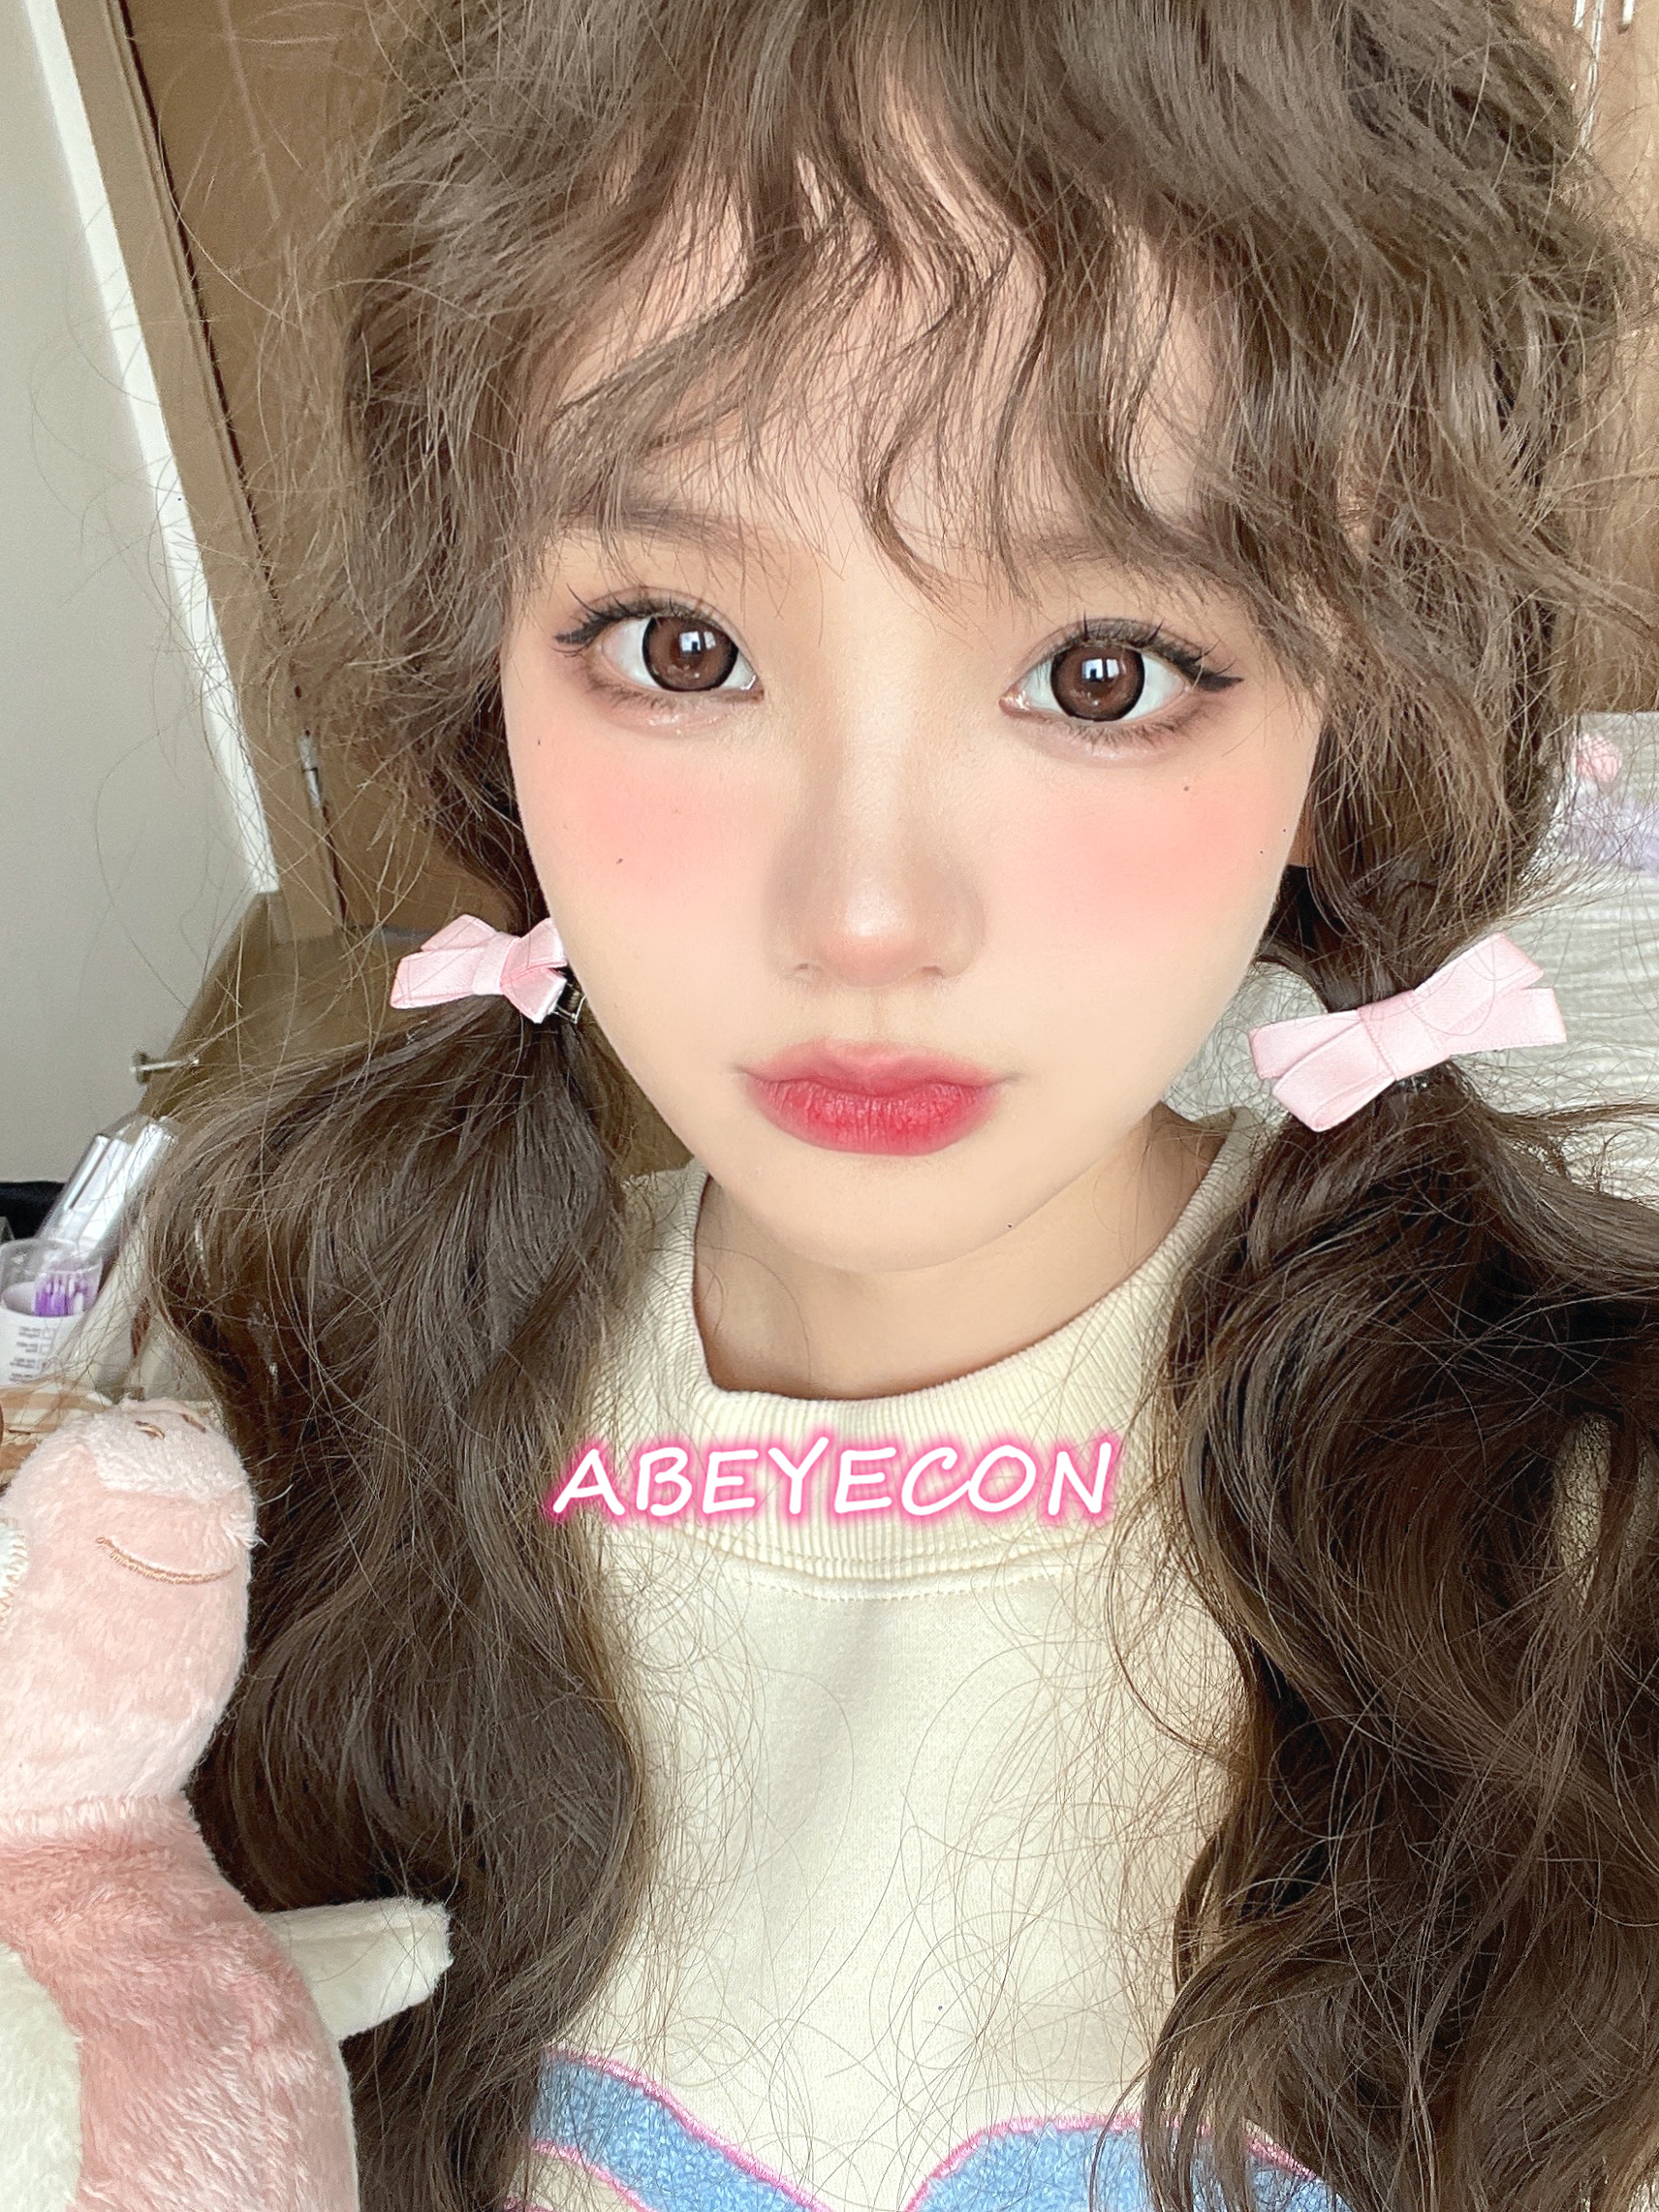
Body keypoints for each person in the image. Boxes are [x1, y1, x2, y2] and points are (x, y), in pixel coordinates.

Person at [118, 1, 1659, 2208]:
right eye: (680, 645)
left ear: (1355, 698)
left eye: (1100, 672)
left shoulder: (1580, 1559)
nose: (861, 914)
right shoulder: (259, 1445)